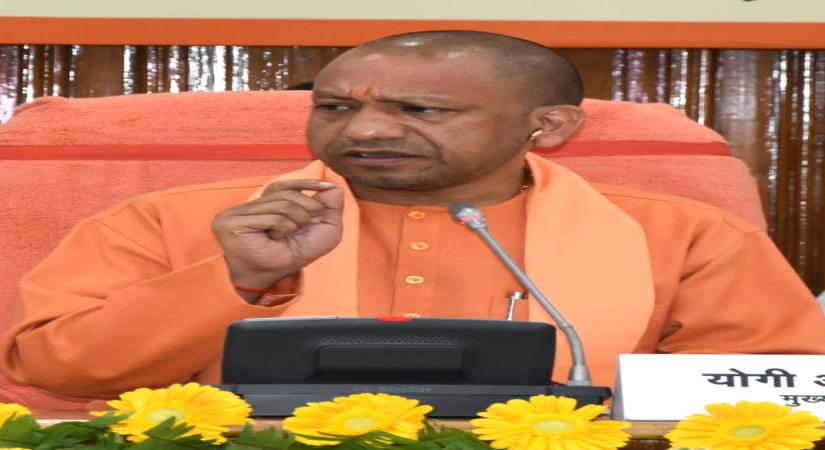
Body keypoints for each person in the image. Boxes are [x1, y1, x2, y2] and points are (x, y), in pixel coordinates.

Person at [3, 30, 825, 399]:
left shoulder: (679, 236)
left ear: (545, 129)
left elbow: (775, 396)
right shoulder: (174, 220)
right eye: (333, 106)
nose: (361, 130)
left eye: (420, 110)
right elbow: (56, 371)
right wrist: (238, 279)